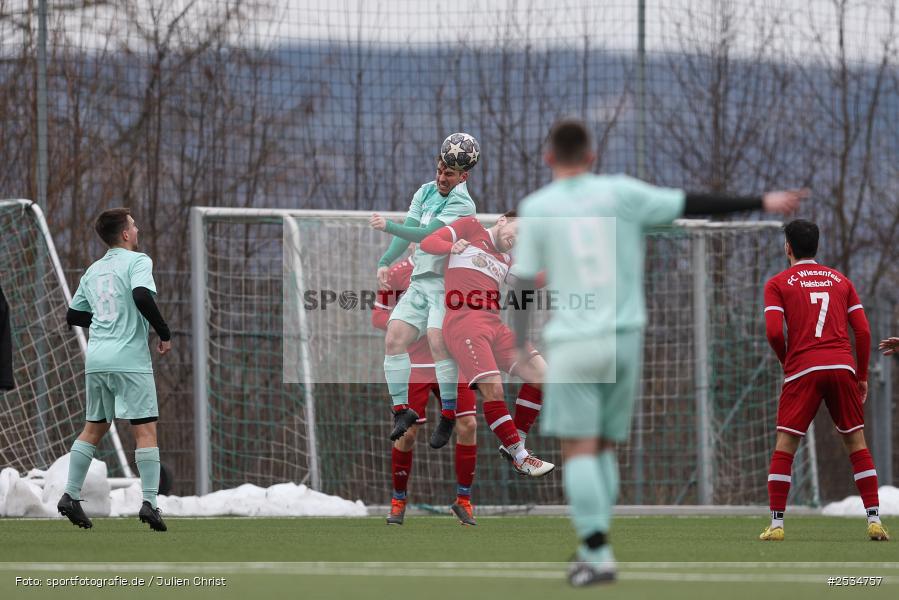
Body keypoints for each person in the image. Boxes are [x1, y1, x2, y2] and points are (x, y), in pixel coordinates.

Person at [510, 118, 808, 586]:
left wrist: (519, 341)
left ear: (549, 158)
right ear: (592, 157)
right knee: (603, 447)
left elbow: (523, 281)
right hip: (625, 339)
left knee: (580, 450)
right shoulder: (622, 193)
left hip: (572, 342)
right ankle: (599, 543)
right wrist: (762, 200)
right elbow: (694, 201)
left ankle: (596, 551)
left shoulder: (537, 207)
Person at [761, 219, 888, 542]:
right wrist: (860, 376)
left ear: (788, 247)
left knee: (786, 445)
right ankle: (874, 520)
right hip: (842, 367)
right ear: (816, 246)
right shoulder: (841, 280)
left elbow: (775, 332)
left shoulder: (778, 283)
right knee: (856, 443)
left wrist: (786, 360)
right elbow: (863, 331)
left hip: (803, 369)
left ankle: (776, 525)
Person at [59, 208, 172, 532]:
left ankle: (70, 494)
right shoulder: (139, 261)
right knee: (145, 431)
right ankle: (150, 502)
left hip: (97, 360)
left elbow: (74, 315)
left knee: (93, 428)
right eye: (134, 226)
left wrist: (106, 322)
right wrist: (164, 332)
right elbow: (140, 294)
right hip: (129, 361)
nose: (137, 230)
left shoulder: (93, 271)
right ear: (125, 234)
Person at [420, 211, 552, 477]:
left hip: (494, 323)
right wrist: (450, 246)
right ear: (503, 219)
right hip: (464, 322)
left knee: (542, 375)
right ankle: (521, 456)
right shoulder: (470, 227)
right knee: (494, 389)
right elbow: (428, 242)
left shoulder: (507, 259)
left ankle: (516, 444)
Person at [370, 135, 478, 449]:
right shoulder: (425, 192)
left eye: (450, 174)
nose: (442, 178)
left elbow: (428, 235)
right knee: (394, 338)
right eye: (440, 171)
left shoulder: (463, 203)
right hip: (420, 282)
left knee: (436, 339)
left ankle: (447, 415)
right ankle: (401, 411)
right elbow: (411, 228)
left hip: (447, 284)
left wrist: (388, 226)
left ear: (463, 176)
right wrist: (386, 260)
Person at [372, 252, 479, 525]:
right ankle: (398, 501)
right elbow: (378, 316)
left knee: (468, 424)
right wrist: (413, 323)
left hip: (454, 362)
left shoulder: (459, 265)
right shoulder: (398, 271)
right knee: (408, 434)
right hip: (416, 365)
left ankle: (463, 500)